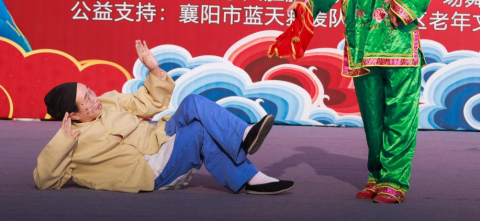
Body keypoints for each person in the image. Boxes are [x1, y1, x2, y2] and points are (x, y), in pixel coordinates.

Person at [285, 0, 442, 204]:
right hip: (362, 45)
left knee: (399, 114)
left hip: (398, 43)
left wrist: (404, 6)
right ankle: (376, 174)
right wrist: (308, 0)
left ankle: (394, 180)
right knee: (372, 117)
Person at [34, 40, 294, 195]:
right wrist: (63, 143)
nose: (94, 99)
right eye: (86, 100)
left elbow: (148, 103)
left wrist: (154, 69)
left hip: (160, 137)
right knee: (199, 132)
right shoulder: (70, 142)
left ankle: (245, 136)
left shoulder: (109, 100)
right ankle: (250, 178)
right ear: (73, 114)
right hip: (151, 169)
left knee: (192, 102)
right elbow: (44, 180)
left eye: (90, 91)